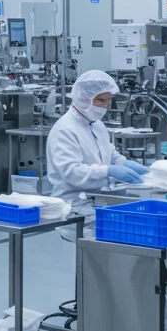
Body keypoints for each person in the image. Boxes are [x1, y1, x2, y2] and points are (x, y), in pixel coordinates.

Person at [46, 70, 148, 234]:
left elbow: (110, 154)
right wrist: (108, 170)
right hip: (74, 208)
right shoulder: (65, 130)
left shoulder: (96, 125)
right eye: (101, 100)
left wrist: (124, 163)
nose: (105, 106)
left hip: (98, 201)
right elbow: (71, 172)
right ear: (83, 97)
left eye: (108, 101)